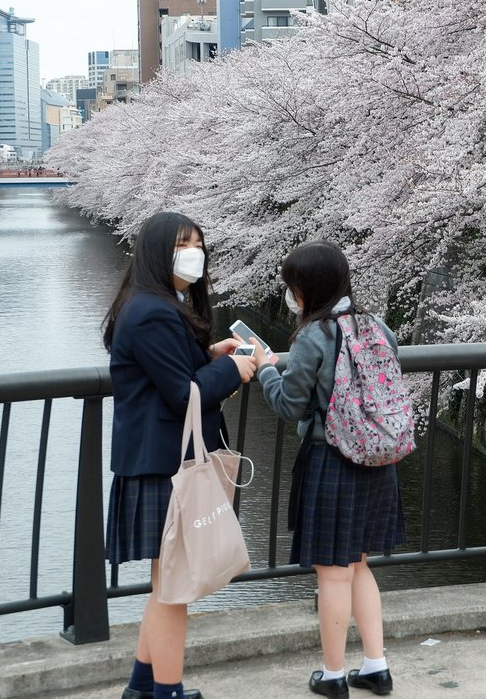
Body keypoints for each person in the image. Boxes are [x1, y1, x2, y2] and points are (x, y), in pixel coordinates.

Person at [104, 211, 258, 699]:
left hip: (157, 461)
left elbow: (170, 374)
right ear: (156, 253)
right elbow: (182, 393)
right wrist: (234, 370)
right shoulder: (152, 311)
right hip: (165, 466)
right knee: (173, 591)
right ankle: (166, 692)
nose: (195, 254)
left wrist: (211, 356)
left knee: (166, 584)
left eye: (198, 244)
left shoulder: (149, 304)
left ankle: (141, 686)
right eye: (182, 246)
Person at [251, 241, 405, 698]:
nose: (290, 293)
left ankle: (333, 675)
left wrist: (264, 369)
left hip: (331, 459)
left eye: (292, 285)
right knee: (359, 566)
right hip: (377, 459)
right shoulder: (377, 325)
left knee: (334, 573)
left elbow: (289, 404)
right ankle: (376, 666)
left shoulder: (313, 336)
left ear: (305, 288)